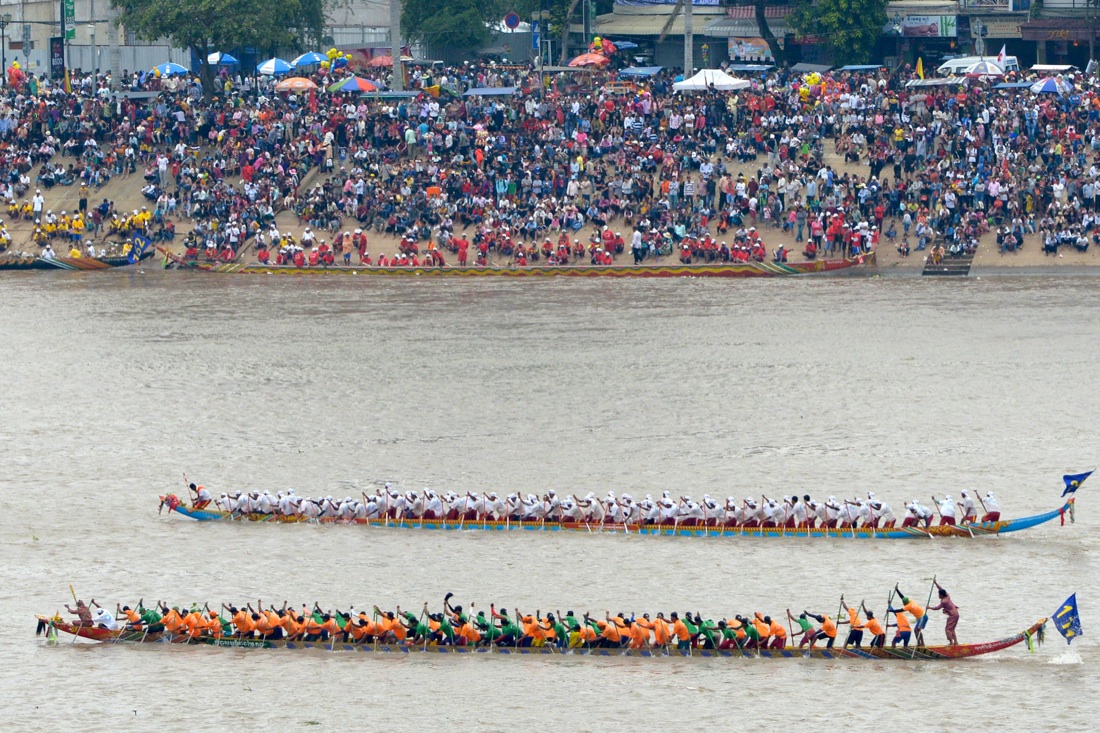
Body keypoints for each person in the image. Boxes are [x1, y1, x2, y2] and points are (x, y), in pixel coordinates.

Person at [929, 581, 960, 645]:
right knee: (952, 629)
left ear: (942, 595)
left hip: (952, 615)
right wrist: (936, 583)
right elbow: (940, 588)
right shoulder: (947, 595)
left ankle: (951, 643)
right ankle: (955, 642)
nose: (938, 595)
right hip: (956, 613)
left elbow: (937, 608)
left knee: (947, 630)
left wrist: (929, 607)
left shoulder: (944, 601)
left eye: (939, 594)